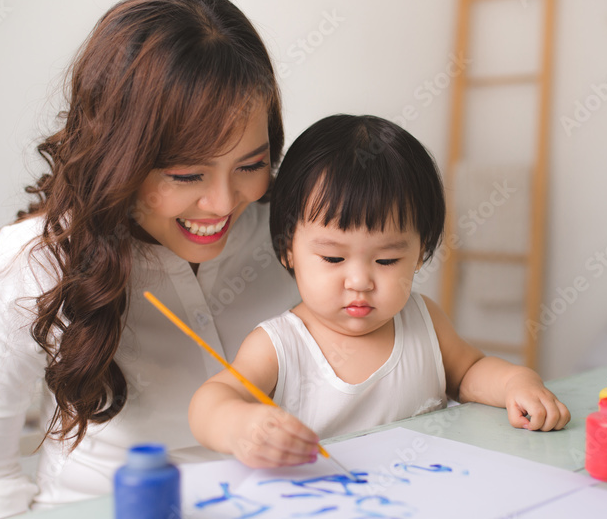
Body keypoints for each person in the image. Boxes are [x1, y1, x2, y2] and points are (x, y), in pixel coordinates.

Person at [0, 0, 299, 519]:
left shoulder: (296, 235)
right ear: (120, 155)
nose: (225, 203)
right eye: (186, 175)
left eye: (251, 165)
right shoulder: (27, 269)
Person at [188, 115, 571, 468]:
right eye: (333, 258)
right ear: (289, 250)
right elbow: (211, 402)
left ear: (420, 254)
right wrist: (241, 425)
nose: (359, 281)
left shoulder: (423, 321)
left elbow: (468, 372)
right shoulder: (280, 345)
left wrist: (515, 382)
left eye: (386, 261)